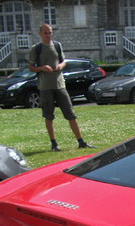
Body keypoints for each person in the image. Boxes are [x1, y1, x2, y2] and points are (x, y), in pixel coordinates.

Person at [29, 23, 94, 152]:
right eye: (46, 33)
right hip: (45, 87)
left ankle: (81, 141)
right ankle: (54, 144)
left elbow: (63, 61)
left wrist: (60, 66)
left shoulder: (57, 46)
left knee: (71, 114)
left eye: (50, 33)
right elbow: (31, 67)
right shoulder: (36, 48)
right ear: (40, 34)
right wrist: (42, 68)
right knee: (49, 116)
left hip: (60, 85)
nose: (48, 35)